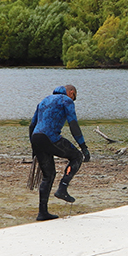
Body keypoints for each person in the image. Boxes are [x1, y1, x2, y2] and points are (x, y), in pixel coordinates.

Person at [29, 84, 90, 221]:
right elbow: (73, 124)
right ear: (71, 92)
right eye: (73, 97)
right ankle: (62, 188)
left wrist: (34, 148)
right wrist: (83, 146)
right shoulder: (65, 100)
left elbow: (32, 125)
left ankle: (42, 212)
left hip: (36, 137)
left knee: (48, 175)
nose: (72, 100)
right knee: (77, 157)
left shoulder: (44, 100)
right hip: (50, 137)